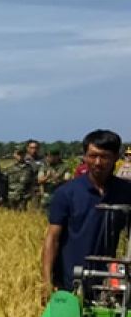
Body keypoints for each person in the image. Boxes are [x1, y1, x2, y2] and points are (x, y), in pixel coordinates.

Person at [40, 129, 131, 303]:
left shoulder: (126, 192)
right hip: (70, 282)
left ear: (116, 157)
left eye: (104, 156)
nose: (97, 162)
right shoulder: (67, 193)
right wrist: (46, 282)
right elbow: (52, 238)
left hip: (109, 282)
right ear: (85, 156)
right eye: (92, 156)